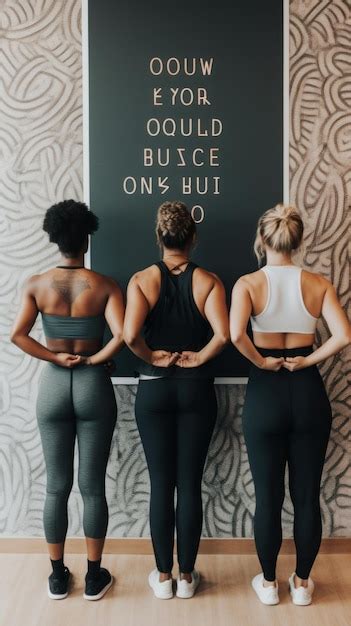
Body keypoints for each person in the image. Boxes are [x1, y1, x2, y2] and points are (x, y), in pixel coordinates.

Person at [230, 203, 351, 606]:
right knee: (306, 494)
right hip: (307, 392)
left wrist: (263, 361)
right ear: (298, 242)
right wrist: (308, 359)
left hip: (266, 392)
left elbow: (235, 336)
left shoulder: (248, 284)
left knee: (268, 496)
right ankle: (301, 584)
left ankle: (268, 584)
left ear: (263, 240)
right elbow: (342, 336)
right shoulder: (318, 284)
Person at [11, 200, 124, 601]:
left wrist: (55, 356)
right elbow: (124, 335)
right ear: (87, 238)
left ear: (54, 237)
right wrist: (93, 358)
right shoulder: (106, 285)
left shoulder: (37, 285)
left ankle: (58, 576)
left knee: (56, 487)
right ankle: (94, 577)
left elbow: (19, 335)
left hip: (54, 386)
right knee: (92, 487)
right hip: (93, 384)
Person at [124, 201, 229, 600]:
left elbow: (132, 336)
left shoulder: (141, 280)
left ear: (159, 237)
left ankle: (163, 578)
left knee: (160, 483)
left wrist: (152, 356)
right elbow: (224, 334)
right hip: (196, 388)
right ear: (193, 238)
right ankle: (187, 578)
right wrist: (199, 357)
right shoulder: (209, 282)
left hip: (154, 389)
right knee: (189, 483)